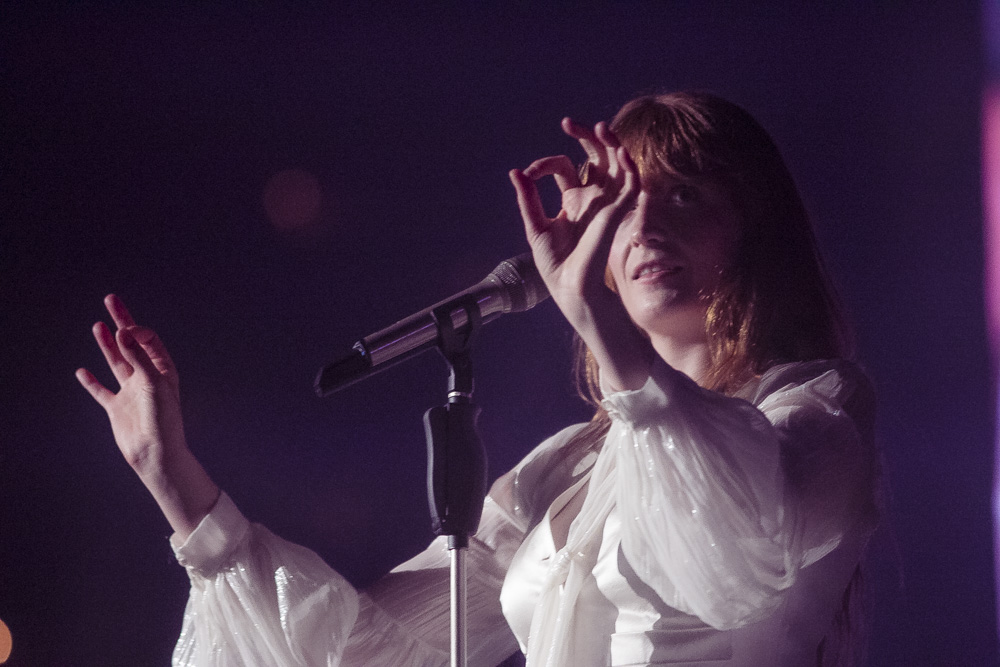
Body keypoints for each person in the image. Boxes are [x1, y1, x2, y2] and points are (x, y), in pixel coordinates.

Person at [77, 91, 879, 666]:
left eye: (686, 194)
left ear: (754, 231)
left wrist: (592, 315)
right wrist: (175, 481)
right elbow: (366, 654)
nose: (644, 225)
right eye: (625, 203)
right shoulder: (566, 468)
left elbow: (734, 537)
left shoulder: (814, 409)